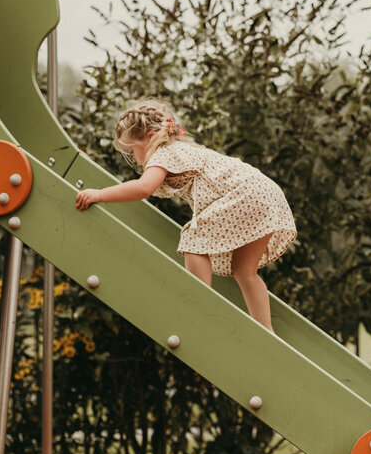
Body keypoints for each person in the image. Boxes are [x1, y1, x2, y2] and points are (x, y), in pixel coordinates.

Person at [75, 99, 296, 333]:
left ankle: (199, 306)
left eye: (132, 152)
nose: (136, 161)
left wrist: (99, 194)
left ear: (149, 137)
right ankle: (266, 331)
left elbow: (142, 188)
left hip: (245, 195)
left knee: (194, 238)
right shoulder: (182, 150)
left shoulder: (164, 153)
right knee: (244, 271)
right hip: (263, 192)